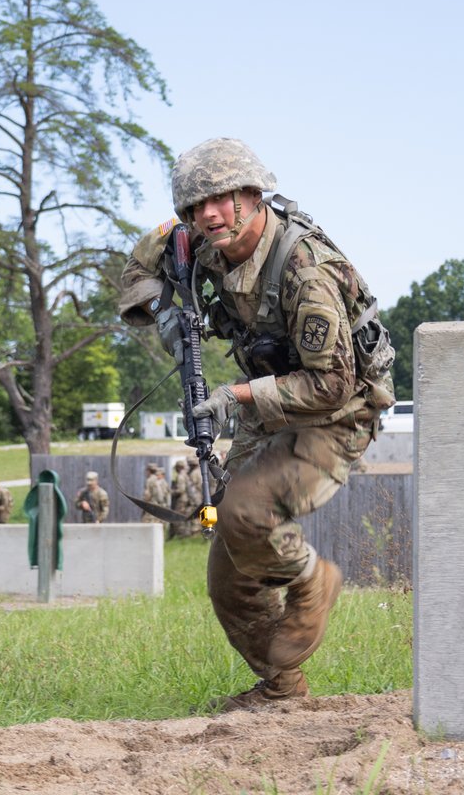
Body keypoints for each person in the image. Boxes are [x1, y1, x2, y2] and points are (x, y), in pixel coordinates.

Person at [117, 138, 395, 710]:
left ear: (253, 193)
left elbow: (335, 383)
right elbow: (142, 261)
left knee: (246, 510)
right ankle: (282, 689)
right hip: (267, 410)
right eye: (195, 206)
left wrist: (236, 394)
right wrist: (169, 316)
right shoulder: (196, 238)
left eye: (220, 198)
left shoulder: (303, 269)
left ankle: (313, 582)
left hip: (336, 414)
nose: (208, 215)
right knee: (229, 570)